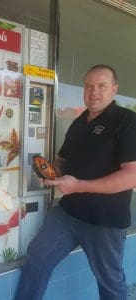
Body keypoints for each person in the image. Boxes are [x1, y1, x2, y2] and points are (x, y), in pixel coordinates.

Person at [15, 64, 136, 300]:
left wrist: (78, 185)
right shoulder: (80, 122)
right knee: (38, 257)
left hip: (105, 222)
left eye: (102, 86)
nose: (94, 92)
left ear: (114, 89)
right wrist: (51, 171)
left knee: (110, 282)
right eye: (89, 86)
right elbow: (63, 159)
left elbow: (131, 175)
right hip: (67, 214)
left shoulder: (127, 121)